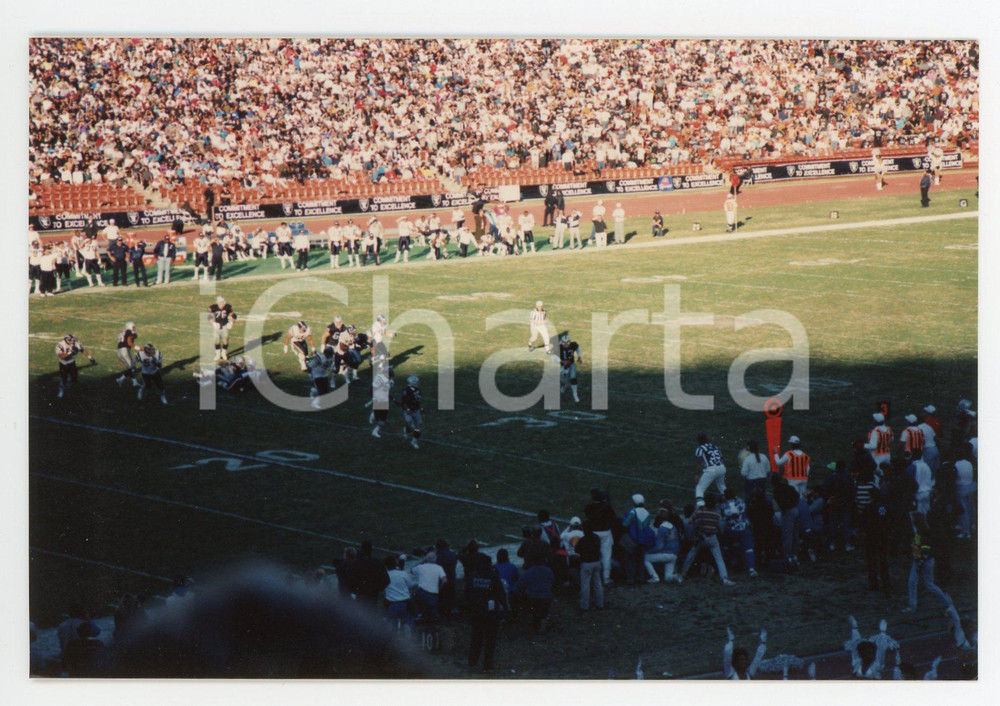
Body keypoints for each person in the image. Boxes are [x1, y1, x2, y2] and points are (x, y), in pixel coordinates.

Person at [903, 512, 956, 614]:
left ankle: (948, 603)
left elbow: (926, 549)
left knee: (929, 585)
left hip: (925, 561)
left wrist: (920, 562)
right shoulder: (916, 531)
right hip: (918, 559)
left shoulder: (924, 531)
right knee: (912, 582)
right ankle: (912, 606)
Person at [679, 494, 735, 585]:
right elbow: (721, 528)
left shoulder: (700, 512)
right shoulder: (717, 514)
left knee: (691, 555)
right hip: (712, 537)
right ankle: (724, 578)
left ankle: (682, 575)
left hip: (700, 538)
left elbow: (690, 522)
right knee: (719, 558)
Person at [465, 553, 507, 672]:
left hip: (476, 611)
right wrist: (505, 609)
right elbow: (501, 594)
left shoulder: (473, 576)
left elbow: (467, 593)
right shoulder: (493, 576)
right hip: (490, 612)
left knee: (476, 637)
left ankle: (473, 662)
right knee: (490, 640)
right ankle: (487, 664)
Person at [721, 488, 758, 577]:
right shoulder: (741, 502)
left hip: (732, 530)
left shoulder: (724, 506)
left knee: (729, 545)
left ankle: (733, 562)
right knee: (748, 549)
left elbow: (725, 518)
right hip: (744, 528)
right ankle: (751, 569)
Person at [584, 488, 617, 585]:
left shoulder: (589, 508)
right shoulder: (606, 507)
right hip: (605, 532)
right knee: (606, 555)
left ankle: (593, 578)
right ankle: (606, 578)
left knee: (593, 555)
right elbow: (613, 517)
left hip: (594, 533)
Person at [513, 561, 554, 634]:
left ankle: (538, 623)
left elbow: (519, 586)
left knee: (536, 613)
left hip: (533, 598)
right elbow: (552, 582)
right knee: (543, 611)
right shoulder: (549, 570)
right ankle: (543, 620)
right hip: (546, 597)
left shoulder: (528, 572)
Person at [772, 474, 801, 570]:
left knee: (787, 535)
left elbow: (781, 503)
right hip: (795, 509)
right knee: (795, 534)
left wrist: (785, 508)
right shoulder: (788, 487)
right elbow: (797, 495)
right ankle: (795, 554)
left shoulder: (776, 490)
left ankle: (788, 555)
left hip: (788, 511)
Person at [643, 509, 681, 582]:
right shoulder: (673, 527)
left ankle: (654, 577)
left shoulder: (662, 528)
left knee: (645, 558)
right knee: (668, 577)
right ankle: (675, 577)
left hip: (666, 553)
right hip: (674, 555)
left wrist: (649, 551)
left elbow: (659, 546)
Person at [411, 551, 447, 622]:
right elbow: (444, 580)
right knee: (432, 608)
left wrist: (422, 561)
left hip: (422, 592)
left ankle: (418, 613)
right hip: (434, 594)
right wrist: (439, 588)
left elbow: (412, 571)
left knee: (414, 594)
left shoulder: (420, 567)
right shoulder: (439, 568)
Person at [55, 334, 95, 399]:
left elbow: (82, 350)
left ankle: (68, 387)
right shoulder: (60, 345)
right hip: (63, 364)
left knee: (74, 379)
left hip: (72, 363)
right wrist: (70, 353)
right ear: (67, 341)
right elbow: (61, 356)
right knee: (63, 379)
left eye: (73, 341)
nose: (72, 342)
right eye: (70, 341)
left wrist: (90, 357)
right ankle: (61, 391)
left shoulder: (76, 342)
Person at [383, 555, 415, 632]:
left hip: (390, 602)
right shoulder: (403, 573)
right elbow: (411, 585)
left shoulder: (385, 574)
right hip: (405, 602)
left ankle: (388, 624)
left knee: (388, 617)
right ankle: (409, 626)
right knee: (410, 615)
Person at [694, 432, 727, 505]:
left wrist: (696, 474)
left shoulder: (700, 449)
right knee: (722, 486)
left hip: (711, 469)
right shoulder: (715, 446)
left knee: (699, 488)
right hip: (722, 467)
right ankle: (730, 500)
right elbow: (722, 458)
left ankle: (700, 506)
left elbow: (698, 462)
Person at [208, 296, 237, 362]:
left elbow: (234, 316)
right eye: (221, 302)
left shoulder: (227, 307)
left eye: (223, 301)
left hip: (225, 325)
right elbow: (209, 317)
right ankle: (218, 354)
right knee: (216, 340)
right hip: (217, 325)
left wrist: (231, 323)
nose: (222, 303)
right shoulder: (214, 307)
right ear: (218, 302)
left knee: (226, 339)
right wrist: (213, 323)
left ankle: (224, 353)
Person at [558, 333, 583, 403]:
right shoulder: (559, 347)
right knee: (563, 378)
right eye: (564, 342)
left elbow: (578, 348)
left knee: (573, 378)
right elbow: (555, 358)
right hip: (563, 365)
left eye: (567, 342)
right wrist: (563, 362)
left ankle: (575, 395)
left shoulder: (573, 345)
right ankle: (563, 384)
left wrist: (579, 356)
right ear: (562, 342)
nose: (566, 344)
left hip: (571, 364)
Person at [400, 375, 423, 450]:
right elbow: (404, 402)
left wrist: (420, 408)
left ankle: (414, 442)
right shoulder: (406, 391)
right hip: (408, 411)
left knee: (418, 428)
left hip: (416, 410)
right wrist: (408, 409)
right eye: (416, 382)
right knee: (411, 425)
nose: (418, 383)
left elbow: (418, 401)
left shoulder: (418, 390)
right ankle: (407, 429)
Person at [115, 322, 140, 388]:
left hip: (119, 351)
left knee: (131, 366)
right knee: (132, 367)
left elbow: (120, 344)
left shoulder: (123, 332)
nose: (134, 328)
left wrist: (119, 358)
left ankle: (120, 379)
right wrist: (137, 348)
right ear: (129, 327)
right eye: (133, 327)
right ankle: (134, 382)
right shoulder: (128, 331)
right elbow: (129, 342)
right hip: (125, 350)